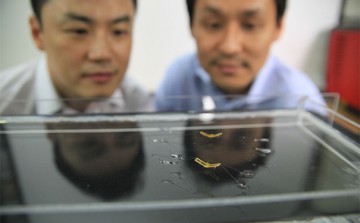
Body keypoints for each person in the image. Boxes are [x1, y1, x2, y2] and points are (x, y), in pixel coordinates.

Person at [155, 0, 326, 114]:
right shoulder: (178, 78)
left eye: (250, 25)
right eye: (214, 24)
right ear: (192, 25)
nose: (230, 47)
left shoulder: (300, 102)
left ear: (278, 27)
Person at [0, 0, 153, 115]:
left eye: (118, 31)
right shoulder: (5, 103)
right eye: (79, 31)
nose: (101, 54)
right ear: (37, 33)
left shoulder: (137, 102)